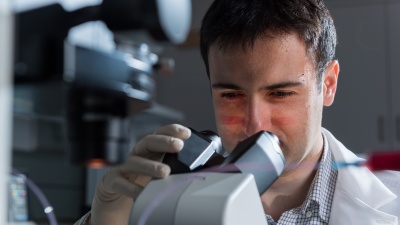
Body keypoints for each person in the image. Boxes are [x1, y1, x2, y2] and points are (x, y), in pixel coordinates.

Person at [75, 0, 400, 224]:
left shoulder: (393, 201)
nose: (255, 124)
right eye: (231, 95)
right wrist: (108, 220)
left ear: (328, 85)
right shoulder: (167, 200)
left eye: (281, 93)